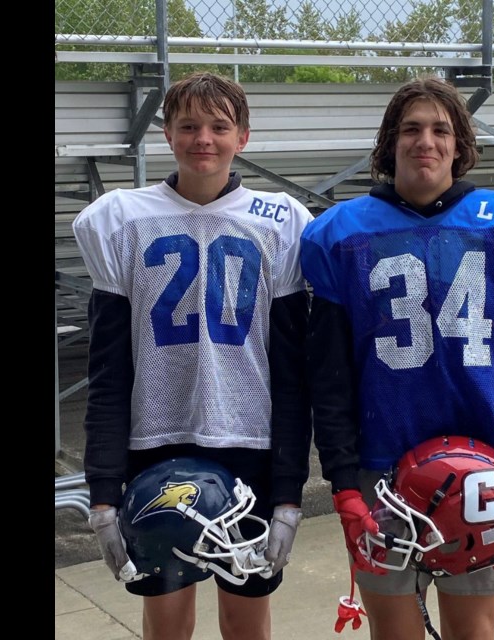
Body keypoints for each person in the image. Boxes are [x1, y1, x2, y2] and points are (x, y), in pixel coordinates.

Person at [300, 76, 494, 640]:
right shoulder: (341, 233)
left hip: (483, 468)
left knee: (473, 634)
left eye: (441, 129)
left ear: (460, 144)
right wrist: (343, 480)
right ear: (389, 142)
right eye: (412, 128)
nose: (427, 141)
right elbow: (331, 377)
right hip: (382, 469)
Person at [72, 71, 314, 640]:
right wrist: (103, 492)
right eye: (188, 125)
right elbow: (107, 372)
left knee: (246, 615)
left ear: (243, 137)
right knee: (166, 617)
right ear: (166, 135)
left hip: (248, 438)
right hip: (156, 438)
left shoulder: (279, 222)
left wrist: (288, 493)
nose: (203, 138)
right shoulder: (123, 219)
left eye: (218, 126)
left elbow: (291, 372)